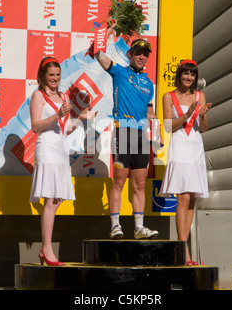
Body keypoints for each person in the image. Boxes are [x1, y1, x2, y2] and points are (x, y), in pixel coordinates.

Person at [95, 23, 159, 240]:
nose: (141, 57)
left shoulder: (149, 84)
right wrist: (107, 32)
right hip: (123, 133)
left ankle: (139, 227)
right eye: (138, 53)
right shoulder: (120, 72)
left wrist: (156, 137)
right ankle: (115, 225)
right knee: (119, 182)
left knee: (140, 183)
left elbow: (150, 113)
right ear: (130, 54)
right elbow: (98, 53)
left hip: (142, 137)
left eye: (145, 54)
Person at [29, 56, 95, 265]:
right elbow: (36, 127)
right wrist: (57, 114)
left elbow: (66, 129)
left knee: (56, 200)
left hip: (60, 148)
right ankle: (46, 249)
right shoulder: (38, 95)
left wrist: (80, 118)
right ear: (43, 76)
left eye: (58, 75)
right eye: (51, 75)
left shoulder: (63, 96)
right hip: (47, 148)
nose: (55, 78)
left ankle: (46, 248)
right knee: (50, 199)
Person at [159, 59, 212, 265]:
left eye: (192, 74)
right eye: (185, 74)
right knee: (182, 198)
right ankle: (184, 250)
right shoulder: (168, 96)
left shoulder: (200, 96)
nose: (189, 78)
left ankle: (185, 248)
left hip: (195, 148)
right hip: (180, 147)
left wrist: (203, 116)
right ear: (179, 75)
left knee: (192, 199)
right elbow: (168, 127)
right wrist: (188, 114)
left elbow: (204, 128)